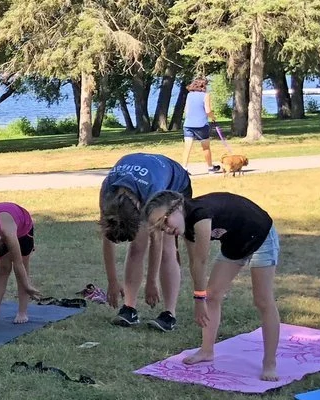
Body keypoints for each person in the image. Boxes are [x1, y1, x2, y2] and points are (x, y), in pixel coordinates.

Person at [145, 190, 281, 381]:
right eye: (160, 227)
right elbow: (194, 264)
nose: (166, 229)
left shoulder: (200, 216)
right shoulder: (187, 227)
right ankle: (207, 351)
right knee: (212, 295)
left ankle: (269, 363)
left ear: (177, 207)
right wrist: (200, 298)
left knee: (262, 300)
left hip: (260, 235)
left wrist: (199, 300)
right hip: (235, 243)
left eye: (165, 221)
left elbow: (201, 261)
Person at [99, 152, 193, 331]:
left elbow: (155, 238)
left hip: (174, 181)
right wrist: (112, 281)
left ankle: (169, 314)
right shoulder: (107, 191)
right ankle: (129, 308)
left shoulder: (153, 191)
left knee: (167, 247)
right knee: (137, 247)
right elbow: (107, 235)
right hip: (141, 177)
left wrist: (152, 282)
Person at [179, 77, 221, 174]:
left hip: (188, 124)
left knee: (187, 147)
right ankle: (210, 167)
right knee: (205, 147)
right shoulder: (205, 95)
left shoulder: (189, 95)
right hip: (201, 124)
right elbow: (208, 111)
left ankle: (184, 168)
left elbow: (186, 110)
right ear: (203, 85)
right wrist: (213, 117)